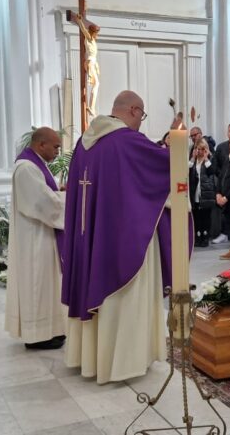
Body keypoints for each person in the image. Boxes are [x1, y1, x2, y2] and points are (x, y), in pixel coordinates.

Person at [61, 91, 182, 383]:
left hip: (89, 236)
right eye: (142, 116)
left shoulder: (85, 141)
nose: (141, 122)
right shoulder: (127, 140)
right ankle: (124, 364)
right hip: (122, 238)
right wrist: (179, 144)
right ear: (134, 110)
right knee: (126, 293)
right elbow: (165, 167)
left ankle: (88, 360)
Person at [7, 127, 67, 350]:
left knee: (46, 285)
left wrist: (60, 191)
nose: (57, 152)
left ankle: (50, 330)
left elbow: (46, 194)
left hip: (42, 234)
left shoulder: (35, 165)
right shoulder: (26, 168)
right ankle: (36, 336)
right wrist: (69, 198)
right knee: (36, 283)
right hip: (34, 237)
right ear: (41, 145)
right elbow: (43, 203)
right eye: (55, 147)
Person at [189, 139, 217, 247]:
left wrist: (206, 159)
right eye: (198, 149)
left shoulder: (210, 159)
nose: (200, 151)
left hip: (206, 192)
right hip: (195, 191)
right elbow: (187, 169)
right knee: (196, 216)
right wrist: (192, 157)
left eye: (202, 149)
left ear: (206, 150)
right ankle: (197, 237)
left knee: (206, 216)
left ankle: (205, 237)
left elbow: (212, 171)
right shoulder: (193, 160)